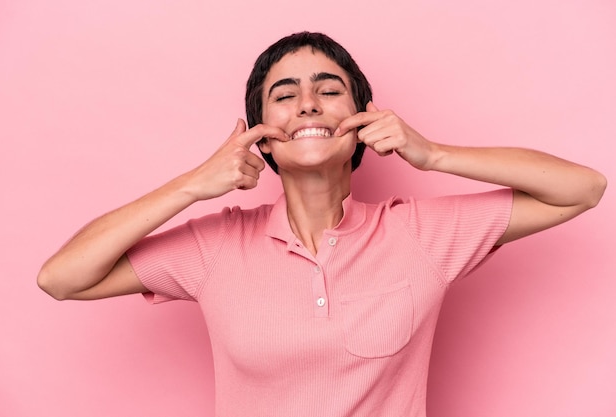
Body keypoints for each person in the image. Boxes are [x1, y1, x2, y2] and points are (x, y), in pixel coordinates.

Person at [38, 32, 607, 416]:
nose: (308, 105)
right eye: (284, 96)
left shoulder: (421, 235)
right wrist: (193, 184)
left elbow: (582, 188)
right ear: (259, 133)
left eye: (329, 91)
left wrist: (433, 155)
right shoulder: (215, 248)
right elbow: (62, 278)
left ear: (363, 120)